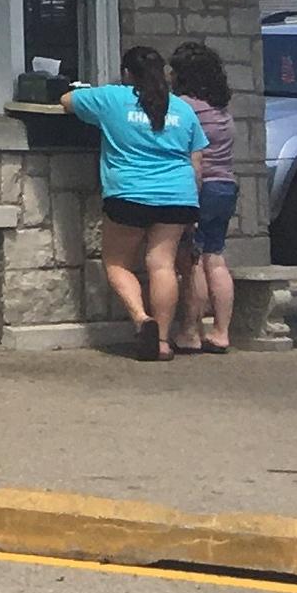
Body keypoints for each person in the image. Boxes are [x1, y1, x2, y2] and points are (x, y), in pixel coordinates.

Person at [64, 44, 210, 361]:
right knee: (162, 265)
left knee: (117, 263)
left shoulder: (112, 98)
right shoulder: (183, 110)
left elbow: (66, 101)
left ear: (128, 74)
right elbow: (197, 161)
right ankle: (162, 343)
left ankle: (143, 320)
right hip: (177, 196)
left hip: (129, 194)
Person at [168, 39, 241, 354]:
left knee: (193, 261)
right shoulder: (221, 110)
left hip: (201, 188)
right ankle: (222, 332)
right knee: (216, 259)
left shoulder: (183, 107)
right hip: (226, 187)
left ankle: (191, 332)